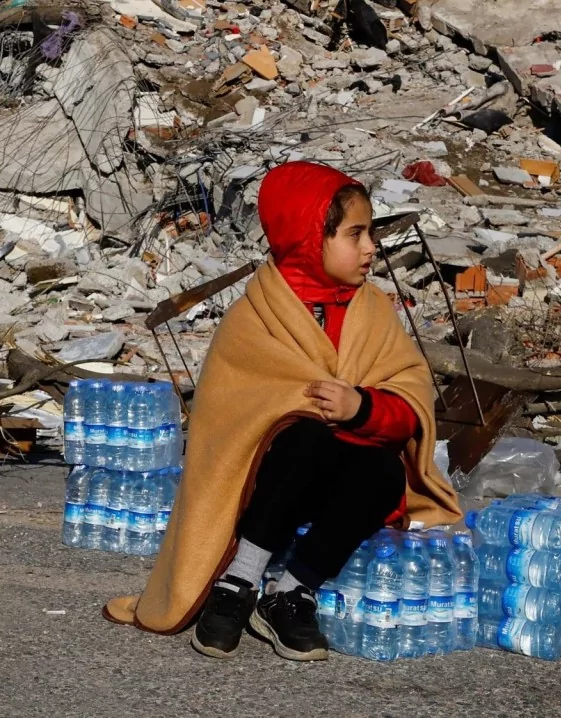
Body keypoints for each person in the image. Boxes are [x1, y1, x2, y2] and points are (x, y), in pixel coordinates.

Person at [103, 162, 462, 662]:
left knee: (382, 470)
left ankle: (292, 591)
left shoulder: (374, 309)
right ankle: (238, 581)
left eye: (371, 233)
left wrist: (361, 408)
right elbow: (228, 423)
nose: (370, 247)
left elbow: (410, 406)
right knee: (304, 439)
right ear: (308, 236)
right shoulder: (256, 317)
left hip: (343, 484)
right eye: (355, 234)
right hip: (267, 486)